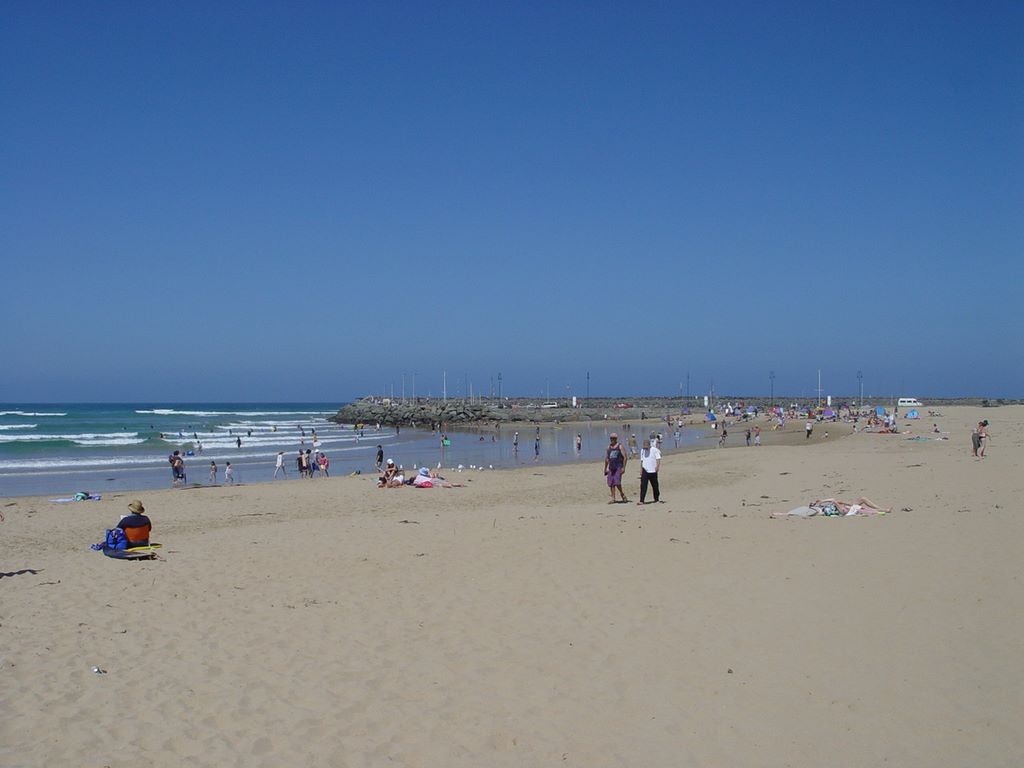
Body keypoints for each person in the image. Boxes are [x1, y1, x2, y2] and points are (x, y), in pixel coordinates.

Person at [604, 433, 629, 504]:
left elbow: (625, 457)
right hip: (611, 467)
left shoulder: (620, 446)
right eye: (611, 438)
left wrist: (624, 467)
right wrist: (605, 468)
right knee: (611, 483)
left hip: (618, 466)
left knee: (617, 482)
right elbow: (606, 459)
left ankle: (622, 494)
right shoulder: (608, 447)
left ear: (616, 439)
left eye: (614, 438)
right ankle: (613, 498)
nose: (612, 440)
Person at [638, 438, 661, 504]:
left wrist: (657, 466)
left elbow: (658, 458)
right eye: (644, 446)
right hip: (645, 469)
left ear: (649, 445)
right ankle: (641, 500)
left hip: (653, 470)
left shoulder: (655, 450)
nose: (645, 447)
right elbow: (642, 460)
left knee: (655, 486)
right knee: (643, 486)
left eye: (646, 446)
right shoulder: (642, 450)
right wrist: (641, 469)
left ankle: (656, 499)